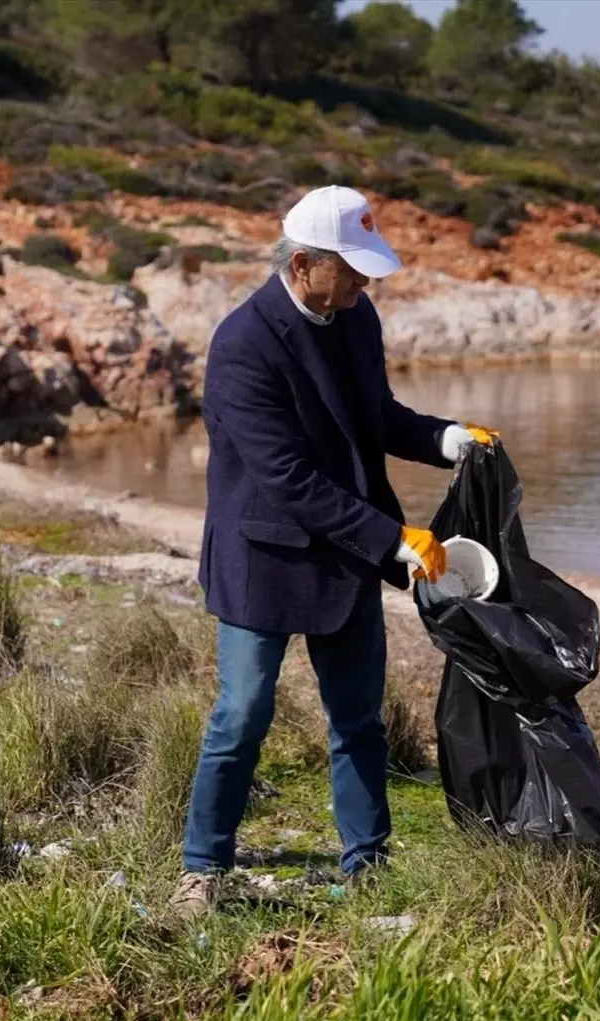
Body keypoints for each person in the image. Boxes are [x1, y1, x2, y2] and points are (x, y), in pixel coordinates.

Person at [171, 186, 497, 918]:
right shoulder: (243, 345)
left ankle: (367, 863)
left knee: (357, 717)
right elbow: (287, 478)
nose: (364, 283)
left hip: (343, 553)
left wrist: (444, 438)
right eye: (350, 269)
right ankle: (203, 868)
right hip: (266, 554)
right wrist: (392, 540)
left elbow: (373, 416)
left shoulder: (352, 316)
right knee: (242, 715)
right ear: (304, 263)